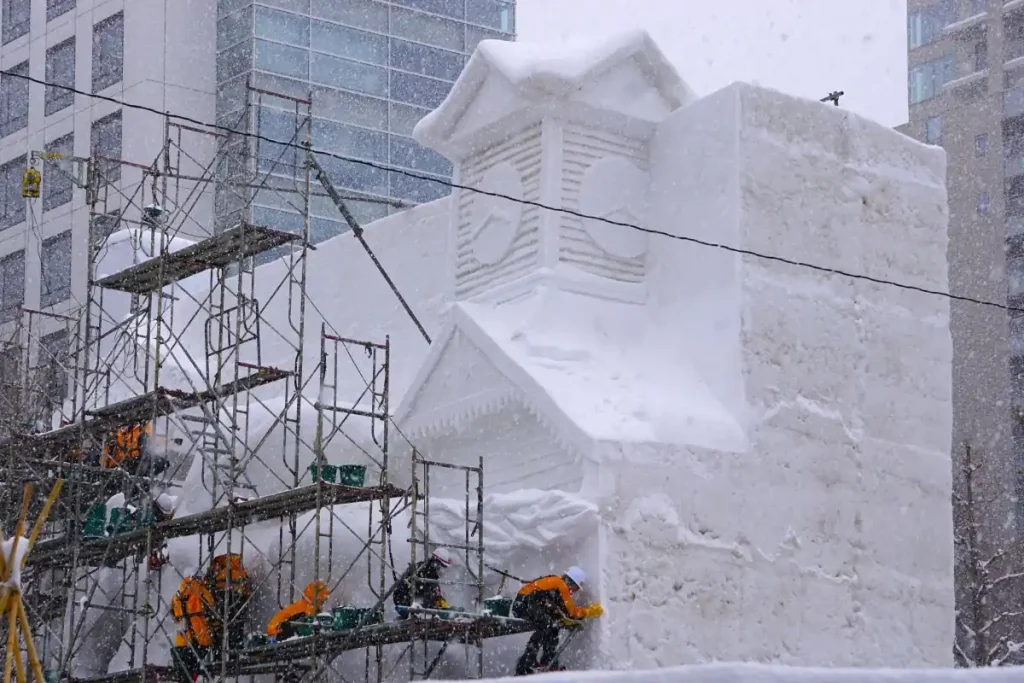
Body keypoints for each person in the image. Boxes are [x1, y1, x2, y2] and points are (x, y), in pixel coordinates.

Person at [512, 566, 603, 676]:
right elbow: (572, 612)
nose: (575, 591)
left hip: (523, 603)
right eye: (576, 588)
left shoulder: (557, 584)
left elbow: (561, 610)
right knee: (546, 624)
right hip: (524, 603)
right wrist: (590, 611)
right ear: (573, 583)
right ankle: (527, 661)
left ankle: (548, 662)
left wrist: (563, 620)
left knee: (554, 626)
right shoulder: (562, 585)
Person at [170, 575, 216, 683]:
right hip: (199, 637)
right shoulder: (201, 592)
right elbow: (212, 605)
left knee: (184, 669)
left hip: (181, 640)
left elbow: (174, 615)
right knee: (193, 666)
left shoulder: (177, 596)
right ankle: (195, 677)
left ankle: (189, 677)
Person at [207, 553, 251, 654]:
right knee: (236, 631)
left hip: (222, 602)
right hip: (238, 602)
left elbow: (208, 587)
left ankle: (219, 656)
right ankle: (235, 655)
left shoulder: (219, 573)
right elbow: (246, 590)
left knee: (218, 632)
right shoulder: (240, 572)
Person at [393, 547, 453, 618]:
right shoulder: (420, 572)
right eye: (442, 567)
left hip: (422, 611)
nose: (443, 572)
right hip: (408, 607)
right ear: (436, 563)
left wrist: (446, 607)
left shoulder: (432, 577)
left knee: (450, 612)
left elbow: (436, 597)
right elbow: (400, 594)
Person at [266, 580, 331, 642]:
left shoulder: (309, 607)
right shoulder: (304, 609)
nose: (323, 604)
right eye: (322, 601)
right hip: (278, 635)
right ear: (317, 598)